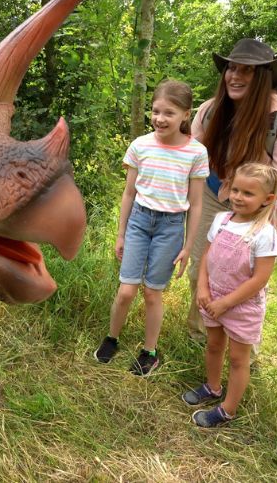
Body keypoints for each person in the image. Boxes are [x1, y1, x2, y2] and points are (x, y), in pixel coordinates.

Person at [186, 38, 277, 346]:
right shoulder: (211, 109)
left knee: (244, 275)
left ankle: (241, 344)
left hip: (257, 206)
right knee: (202, 265)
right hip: (214, 194)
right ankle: (202, 337)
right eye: (231, 68)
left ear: (263, 77)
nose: (234, 77)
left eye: (246, 71)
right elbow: (191, 153)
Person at [94, 80, 208, 375]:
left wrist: (187, 246)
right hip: (139, 222)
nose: (159, 118)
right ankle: (112, 338)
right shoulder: (140, 145)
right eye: (155, 111)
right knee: (127, 291)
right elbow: (129, 193)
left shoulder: (196, 153)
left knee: (152, 293)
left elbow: (196, 204)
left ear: (186, 114)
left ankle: (149, 352)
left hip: (171, 227)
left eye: (169, 113)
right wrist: (120, 234)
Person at [182, 163, 277, 427]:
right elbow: (206, 256)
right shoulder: (221, 220)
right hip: (212, 299)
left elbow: (260, 278)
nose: (238, 197)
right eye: (235, 190)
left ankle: (228, 409)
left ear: (267, 199)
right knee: (213, 345)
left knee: (238, 359)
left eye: (248, 193)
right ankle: (212, 387)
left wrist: (227, 302)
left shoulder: (265, 233)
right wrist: (203, 288)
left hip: (240, 306)